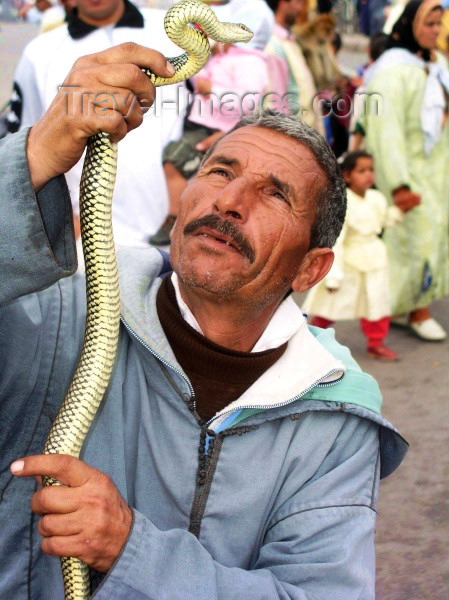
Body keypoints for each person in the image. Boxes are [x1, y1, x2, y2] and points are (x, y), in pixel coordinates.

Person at [0, 43, 408, 600]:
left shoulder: (335, 423)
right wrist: (34, 158)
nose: (230, 201)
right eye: (219, 170)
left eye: (276, 194)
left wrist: (131, 550)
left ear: (310, 269)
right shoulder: (55, 312)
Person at [7, 0, 188, 247]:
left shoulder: (171, 30)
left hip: (168, 233)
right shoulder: (39, 52)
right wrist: (61, 224)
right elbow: (26, 143)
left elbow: (212, 107)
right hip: (82, 246)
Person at [358, 0, 449, 341]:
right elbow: (386, 133)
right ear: (409, 25)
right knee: (415, 243)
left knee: (432, 241)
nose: (435, 31)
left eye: (439, 24)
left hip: (437, 174)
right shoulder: (392, 71)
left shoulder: (436, 65)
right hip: (409, 174)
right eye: (429, 24)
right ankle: (417, 310)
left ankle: (403, 306)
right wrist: (398, 183)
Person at [304, 150, 403, 361]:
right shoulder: (343, 203)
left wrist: (398, 211)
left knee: (377, 303)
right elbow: (337, 241)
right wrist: (333, 275)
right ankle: (309, 338)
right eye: (362, 171)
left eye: (371, 170)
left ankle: (376, 343)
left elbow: (382, 221)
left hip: (375, 258)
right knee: (331, 304)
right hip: (348, 260)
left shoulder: (377, 198)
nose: (369, 175)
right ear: (347, 175)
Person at [265, 0, 324, 133]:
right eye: (298, 3)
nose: (301, 9)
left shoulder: (288, 41)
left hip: (303, 134)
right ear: (282, 3)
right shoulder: (273, 45)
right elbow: (276, 102)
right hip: (291, 136)